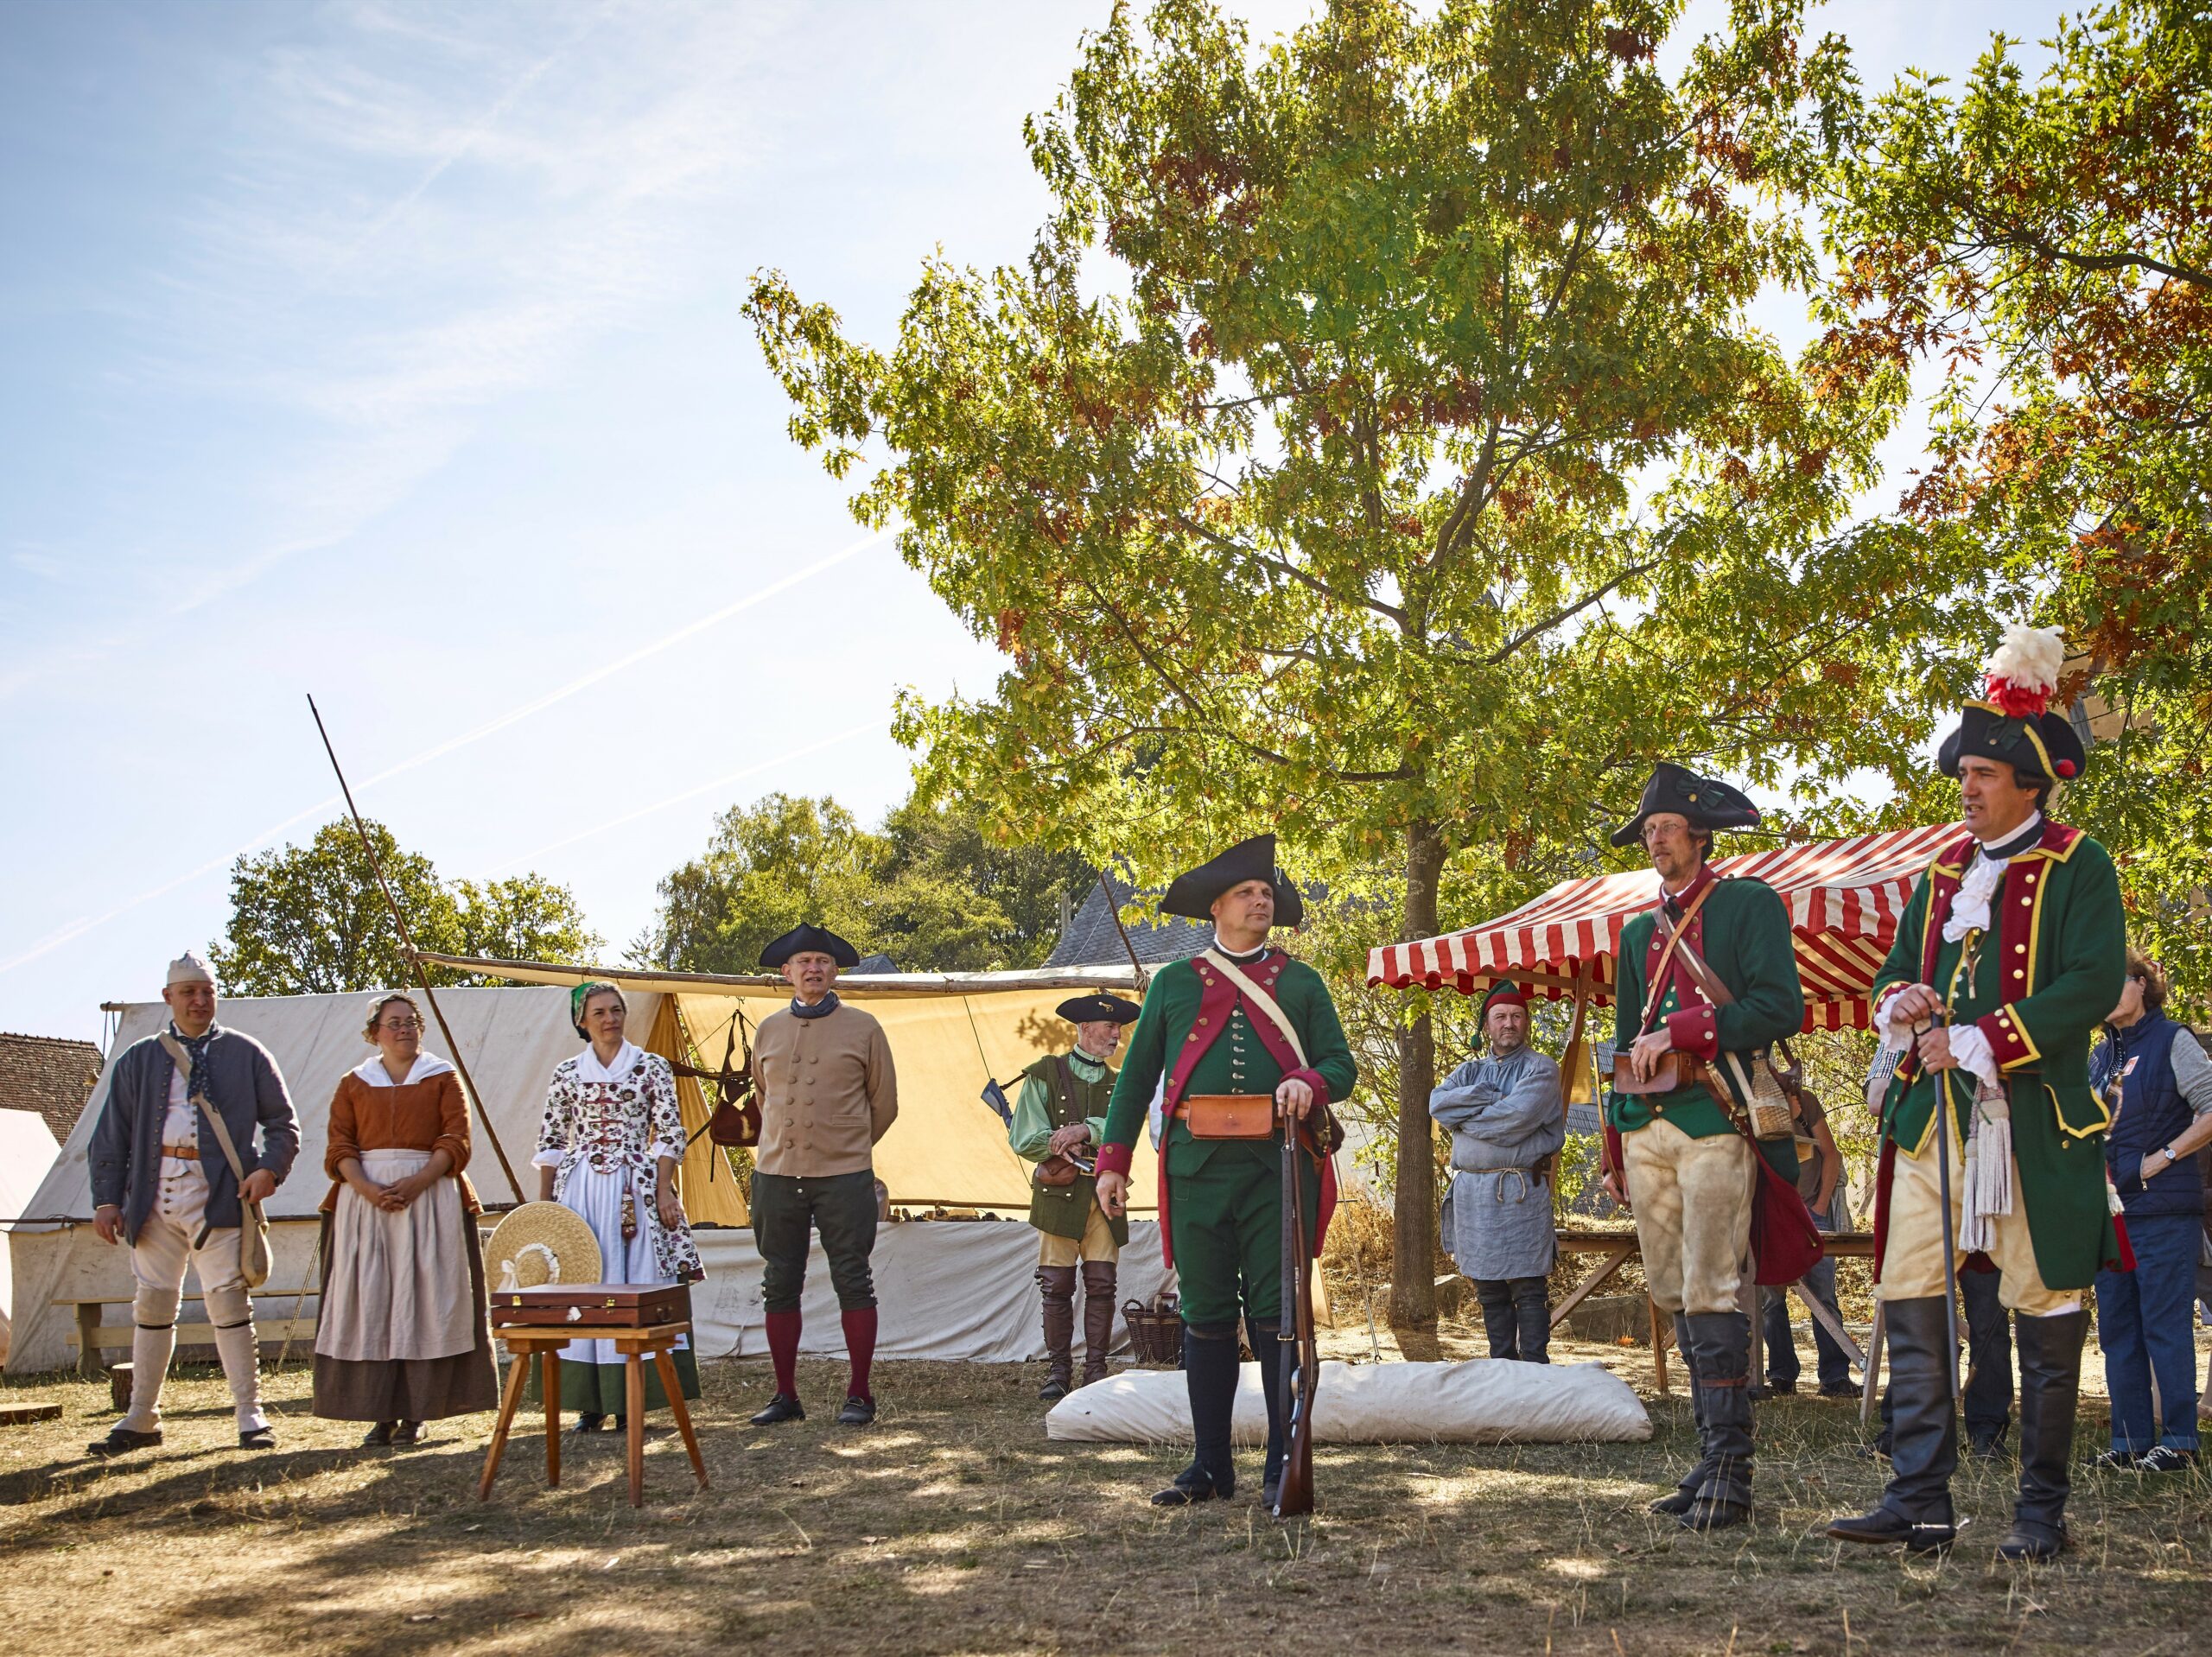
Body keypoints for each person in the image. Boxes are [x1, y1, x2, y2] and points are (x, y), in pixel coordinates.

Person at [1827, 625, 2126, 1563]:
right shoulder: (1940, 872)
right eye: (1963, 772)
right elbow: (1892, 972)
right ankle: (1918, 1499)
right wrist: (1900, 1000)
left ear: (2030, 785)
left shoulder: (2082, 865)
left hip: (2028, 1121)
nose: (1965, 786)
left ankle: (2040, 1511)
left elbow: (2090, 981)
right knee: (1910, 1295)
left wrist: (1986, 1036)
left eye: (1984, 773)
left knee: (2042, 1311)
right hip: (1932, 1123)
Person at [1094, 833, 1357, 1510]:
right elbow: (1135, 1083)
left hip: (1278, 1168)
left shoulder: (1300, 981)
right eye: (1247, 892)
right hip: (1195, 1168)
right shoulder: (1176, 984)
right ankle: (1209, 1466)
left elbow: (1340, 1065)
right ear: (1217, 907)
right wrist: (1112, 1163)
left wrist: (1306, 1080)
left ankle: (1280, 1463)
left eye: (1267, 893)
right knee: (1206, 1314)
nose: (1261, 900)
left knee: (1275, 1317)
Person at [1599, 762, 1807, 1532]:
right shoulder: (1636, 932)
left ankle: (1733, 1470)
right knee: (1674, 1292)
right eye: (1648, 830)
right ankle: (1709, 1456)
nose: (1655, 839)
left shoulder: (1750, 904)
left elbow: (1780, 1006)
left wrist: (1685, 1031)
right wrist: (1618, 1143)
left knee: (1715, 1287)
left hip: (1719, 1120)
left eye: (1667, 828)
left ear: (1700, 836)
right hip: (1648, 1127)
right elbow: (1626, 1039)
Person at [86, 952, 301, 1457]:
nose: (200, 1001)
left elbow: (282, 1124)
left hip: (221, 1193)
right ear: (169, 998)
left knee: (228, 1302)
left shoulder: (247, 1053)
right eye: (189, 993)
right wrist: (106, 1200)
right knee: (153, 1303)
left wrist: (268, 1170)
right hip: (152, 1197)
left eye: (207, 991)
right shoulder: (138, 1059)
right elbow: (111, 1136)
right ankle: (141, 1417)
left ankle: (250, 1415)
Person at [312, 991, 498, 1445]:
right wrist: (367, 1188)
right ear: (374, 1032)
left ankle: (419, 1410)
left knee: (425, 1304)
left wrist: (418, 1182)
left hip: (430, 1201)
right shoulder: (354, 1083)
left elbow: (457, 1138)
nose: (403, 1029)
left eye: (410, 1020)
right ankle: (380, 1412)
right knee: (375, 1304)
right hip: (365, 1207)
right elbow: (340, 1146)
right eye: (393, 1022)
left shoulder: (441, 1077)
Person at [745, 924, 899, 1429]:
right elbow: (764, 1096)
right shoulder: (766, 1029)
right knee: (779, 1282)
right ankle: (785, 1394)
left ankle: (859, 1394)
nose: (813, 969)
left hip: (844, 1176)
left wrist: (845, 1147)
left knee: (853, 1281)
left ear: (836, 972)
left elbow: (884, 1104)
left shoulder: (865, 1027)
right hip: (775, 1174)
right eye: (803, 962)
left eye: (822, 961)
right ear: (786, 972)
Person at [533, 981, 705, 1432]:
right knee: (585, 1286)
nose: (610, 1019)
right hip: (581, 1192)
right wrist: (546, 1207)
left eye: (616, 1010)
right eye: (599, 1013)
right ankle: (589, 1400)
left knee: (635, 1284)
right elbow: (551, 1141)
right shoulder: (567, 1073)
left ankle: (632, 1399)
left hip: (636, 1187)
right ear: (581, 1022)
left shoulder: (650, 1067)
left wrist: (665, 1190)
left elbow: (669, 1132)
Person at [2087, 949, 2211, 1470]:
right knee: (2118, 1330)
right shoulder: (2099, 1056)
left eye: (2118, 978)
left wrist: (2161, 1160)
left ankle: (2180, 1440)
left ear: (2142, 984)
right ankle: (2130, 1443)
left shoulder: (2173, 1039)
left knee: (2164, 1326)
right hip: (2110, 1216)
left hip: (2163, 1212)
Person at [1008, 992, 1141, 1400]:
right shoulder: (1044, 1073)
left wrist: (1087, 1130)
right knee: (1056, 1286)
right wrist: (1055, 1141)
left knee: (1102, 1283)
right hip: (1057, 1194)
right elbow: (1023, 1138)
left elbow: (1128, 1130)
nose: (1116, 1034)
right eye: (1109, 1027)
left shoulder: (1123, 1083)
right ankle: (1059, 1372)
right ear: (1084, 1029)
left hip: (1106, 1195)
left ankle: (1096, 1370)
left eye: (1118, 1027)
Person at [1432, 981, 1565, 1364]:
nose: (1510, 1023)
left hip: (1520, 1192)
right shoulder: (1468, 1070)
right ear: (1487, 1027)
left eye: (1517, 1016)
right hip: (1474, 1196)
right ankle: (1502, 1365)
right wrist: (1490, 1098)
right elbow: (1438, 1104)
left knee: (1528, 1285)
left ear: (1526, 1024)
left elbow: (1516, 1119)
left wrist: (1466, 1120)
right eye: (1501, 1017)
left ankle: (1535, 1368)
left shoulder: (1541, 1068)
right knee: (1488, 1287)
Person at [1758, 1080, 1855, 1399]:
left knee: (1824, 1294)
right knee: (1772, 1300)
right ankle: (1782, 1375)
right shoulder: (1746, 1103)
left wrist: (1821, 1205)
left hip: (1812, 1212)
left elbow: (1831, 1154)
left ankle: (1835, 1376)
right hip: (1770, 1213)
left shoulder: (1805, 1101)